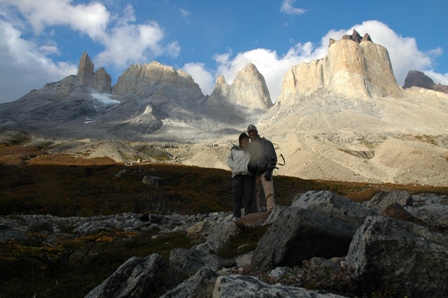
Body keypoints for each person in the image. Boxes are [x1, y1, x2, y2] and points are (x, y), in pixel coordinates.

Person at [246, 124, 277, 212]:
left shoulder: (265, 143)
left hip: (265, 171)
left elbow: (272, 157)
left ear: (256, 132)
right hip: (254, 174)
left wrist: (269, 170)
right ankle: (257, 213)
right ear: (248, 134)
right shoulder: (249, 147)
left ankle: (271, 212)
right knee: (254, 194)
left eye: (253, 131)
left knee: (269, 192)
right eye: (250, 132)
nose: (252, 133)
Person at [227, 132, 254, 220]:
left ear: (248, 141)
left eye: (245, 139)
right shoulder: (234, 150)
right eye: (242, 139)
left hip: (248, 176)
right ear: (239, 141)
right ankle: (236, 216)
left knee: (248, 196)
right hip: (237, 175)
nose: (244, 141)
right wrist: (234, 166)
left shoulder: (251, 151)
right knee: (237, 196)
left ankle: (248, 216)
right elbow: (229, 159)